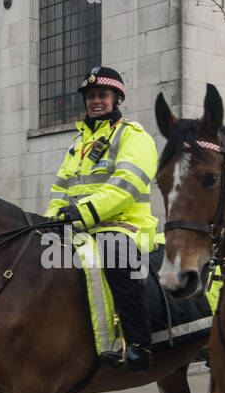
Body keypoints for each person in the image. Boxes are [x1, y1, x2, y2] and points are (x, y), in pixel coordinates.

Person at [46, 66, 158, 371]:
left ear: (117, 99)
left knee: (115, 256)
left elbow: (126, 185)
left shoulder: (134, 136)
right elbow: (60, 189)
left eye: (103, 95)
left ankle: (137, 345)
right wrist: (49, 222)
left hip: (124, 225)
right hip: (81, 227)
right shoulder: (77, 144)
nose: (96, 101)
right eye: (91, 96)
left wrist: (81, 214)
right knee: (45, 258)